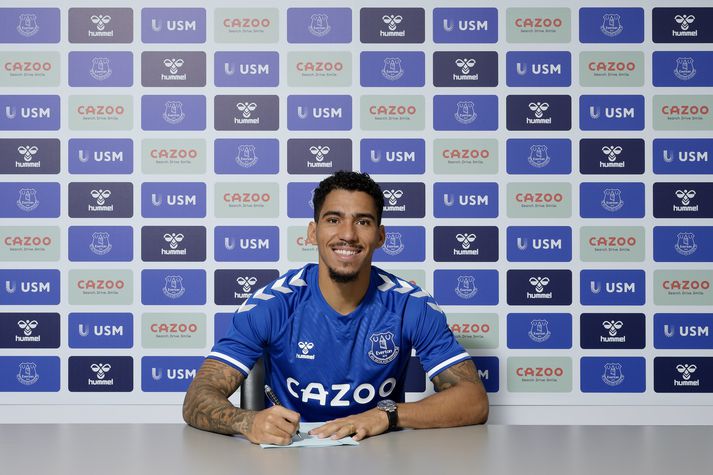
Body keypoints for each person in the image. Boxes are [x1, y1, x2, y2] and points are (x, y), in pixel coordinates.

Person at [183, 171, 488, 445]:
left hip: (378, 453)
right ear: (312, 233)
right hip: (289, 454)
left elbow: (473, 400)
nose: (348, 234)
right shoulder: (273, 304)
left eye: (363, 221)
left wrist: (386, 416)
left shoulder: (409, 304)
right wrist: (247, 421)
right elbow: (198, 396)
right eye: (334, 220)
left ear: (380, 236)